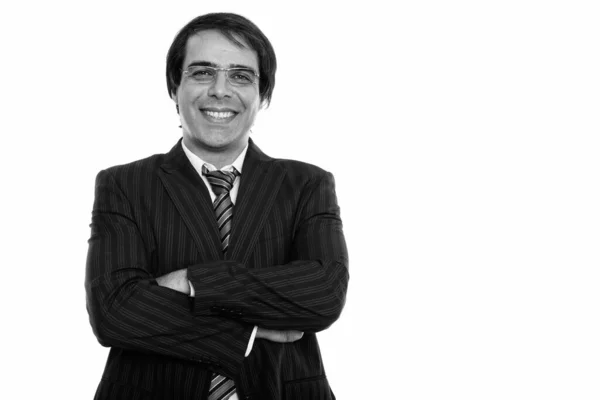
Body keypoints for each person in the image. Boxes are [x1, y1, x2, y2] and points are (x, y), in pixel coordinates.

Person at [85, 12, 348, 400]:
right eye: (202, 72)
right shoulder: (124, 185)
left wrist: (193, 282)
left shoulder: (307, 184)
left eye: (241, 75)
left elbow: (323, 295)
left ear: (264, 95)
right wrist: (249, 331)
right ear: (175, 88)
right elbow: (114, 313)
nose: (220, 90)